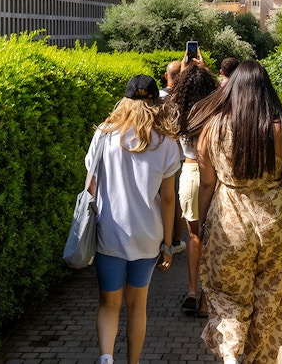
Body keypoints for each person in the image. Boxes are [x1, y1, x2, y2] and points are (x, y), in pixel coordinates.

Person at [187, 61, 282, 364]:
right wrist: (278, 173)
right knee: (269, 303)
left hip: (228, 220)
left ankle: (230, 355)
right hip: (276, 223)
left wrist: (202, 224)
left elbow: (206, 184)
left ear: (231, 89)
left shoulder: (211, 129)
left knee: (229, 299)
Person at [85, 74, 181, 364]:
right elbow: (167, 199)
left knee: (108, 304)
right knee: (137, 305)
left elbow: (91, 185)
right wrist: (168, 243)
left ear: (124, 99)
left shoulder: (104, 133)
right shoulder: (165, 143)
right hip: (148, 236)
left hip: (110, 233)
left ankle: (105, 358)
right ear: (155, 101)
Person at [168, 60, 219, 317]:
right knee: (213, 236)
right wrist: (205, 67)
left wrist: (186, 69)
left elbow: (171, 89)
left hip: (189, 172)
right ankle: (207, 299)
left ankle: (191, 289)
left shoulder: (180, 108)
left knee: (194, 236)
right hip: (215, 172)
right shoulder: (216, 108)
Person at [159, 59, 187, 254]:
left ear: (165, 76)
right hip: (180, 156)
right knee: (177, 200)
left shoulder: (158, 98)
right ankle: (176, 241)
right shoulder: (187, 97)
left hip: (157, 154)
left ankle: (160, 238)